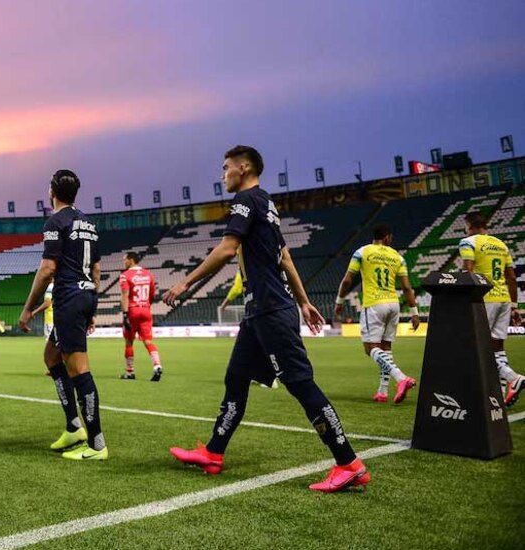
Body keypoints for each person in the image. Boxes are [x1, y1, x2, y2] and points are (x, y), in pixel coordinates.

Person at [164, 146, 366, 492]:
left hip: (270, 310)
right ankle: (213, 452)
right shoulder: (268, 206)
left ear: (243, 168)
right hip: (262, 311)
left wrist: (184, 281)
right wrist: (303, 302)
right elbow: (285, 258)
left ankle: (348, 462)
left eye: (226, 167)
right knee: (236, 378)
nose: (223, 173)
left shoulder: (246, 201)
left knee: (300, 383)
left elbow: (228, 248)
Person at [19, 169, 108, 461]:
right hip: (84, 295)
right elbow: (96, 270)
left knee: (79, 369)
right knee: (51, 357)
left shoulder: (55, 221)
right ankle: (73, 426)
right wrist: (91, 307)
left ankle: (96, 444)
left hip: (69, 298)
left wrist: (28, 308)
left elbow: (47, 269)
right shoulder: (89, 224)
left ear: (52, 191)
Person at [333, 224, 419, 403]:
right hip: (393, 304)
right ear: (387, 237)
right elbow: (406, 287)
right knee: (386, 348)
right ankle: (382, 391)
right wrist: (414, 312)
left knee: (370, 349)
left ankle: (401, 378)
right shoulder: (397, 257)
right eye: (391, 238)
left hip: (374, 304)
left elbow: (348, 280)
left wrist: (339, 302)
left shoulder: (362, 252)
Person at [459, 212, 523, 406]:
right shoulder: (501, 245)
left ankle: (513, 377)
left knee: (475, 346)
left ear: (469, 224)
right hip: (504, 297)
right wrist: (514, 307)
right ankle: (502, 392)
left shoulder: (468, 242)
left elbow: (468, 272)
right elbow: (511, 278)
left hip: (483, 299)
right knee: (497, 346)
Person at [119, 251, 162, 381]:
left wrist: (125, 314)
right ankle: (157, 365)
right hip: (146, 310)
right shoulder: (148, 274)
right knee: (148, 341)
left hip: (132, 311)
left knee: (129, 342)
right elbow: (153, 294)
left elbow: (125, 296)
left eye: (125, 259)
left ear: (131, 260)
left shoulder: (125, 275)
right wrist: (146, 305)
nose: (123, 262)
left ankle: (130, 372)